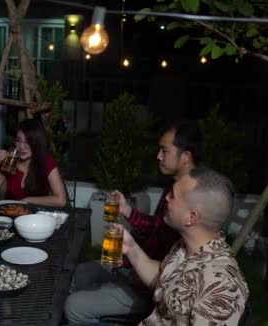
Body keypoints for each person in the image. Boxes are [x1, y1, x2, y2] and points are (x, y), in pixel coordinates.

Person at [64, 122, 202, 324]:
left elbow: (171, 274)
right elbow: (158, 228)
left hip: (150, 290)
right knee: (78, 273)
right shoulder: (174, 189)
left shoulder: (193, 200)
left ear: (186, 156)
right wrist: (127, 211)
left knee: (74, 306)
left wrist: (130, 266)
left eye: (164, 150)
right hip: (134, 271)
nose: (158, 156)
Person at [120, 167, 249, 325]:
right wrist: (131, 248)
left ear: (191, 217)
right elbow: (162, 279)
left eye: (173, 195)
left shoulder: (220, 286)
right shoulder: (185, 246)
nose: (166, 198)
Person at [0, 118, 67, 207]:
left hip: (37, 217)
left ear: (36, 142)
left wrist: (27, 200)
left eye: (28, 141)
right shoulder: (10, 161)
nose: (22, 146)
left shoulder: (46, 161)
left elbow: (61, 200)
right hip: (11, 213)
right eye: (18, 140)